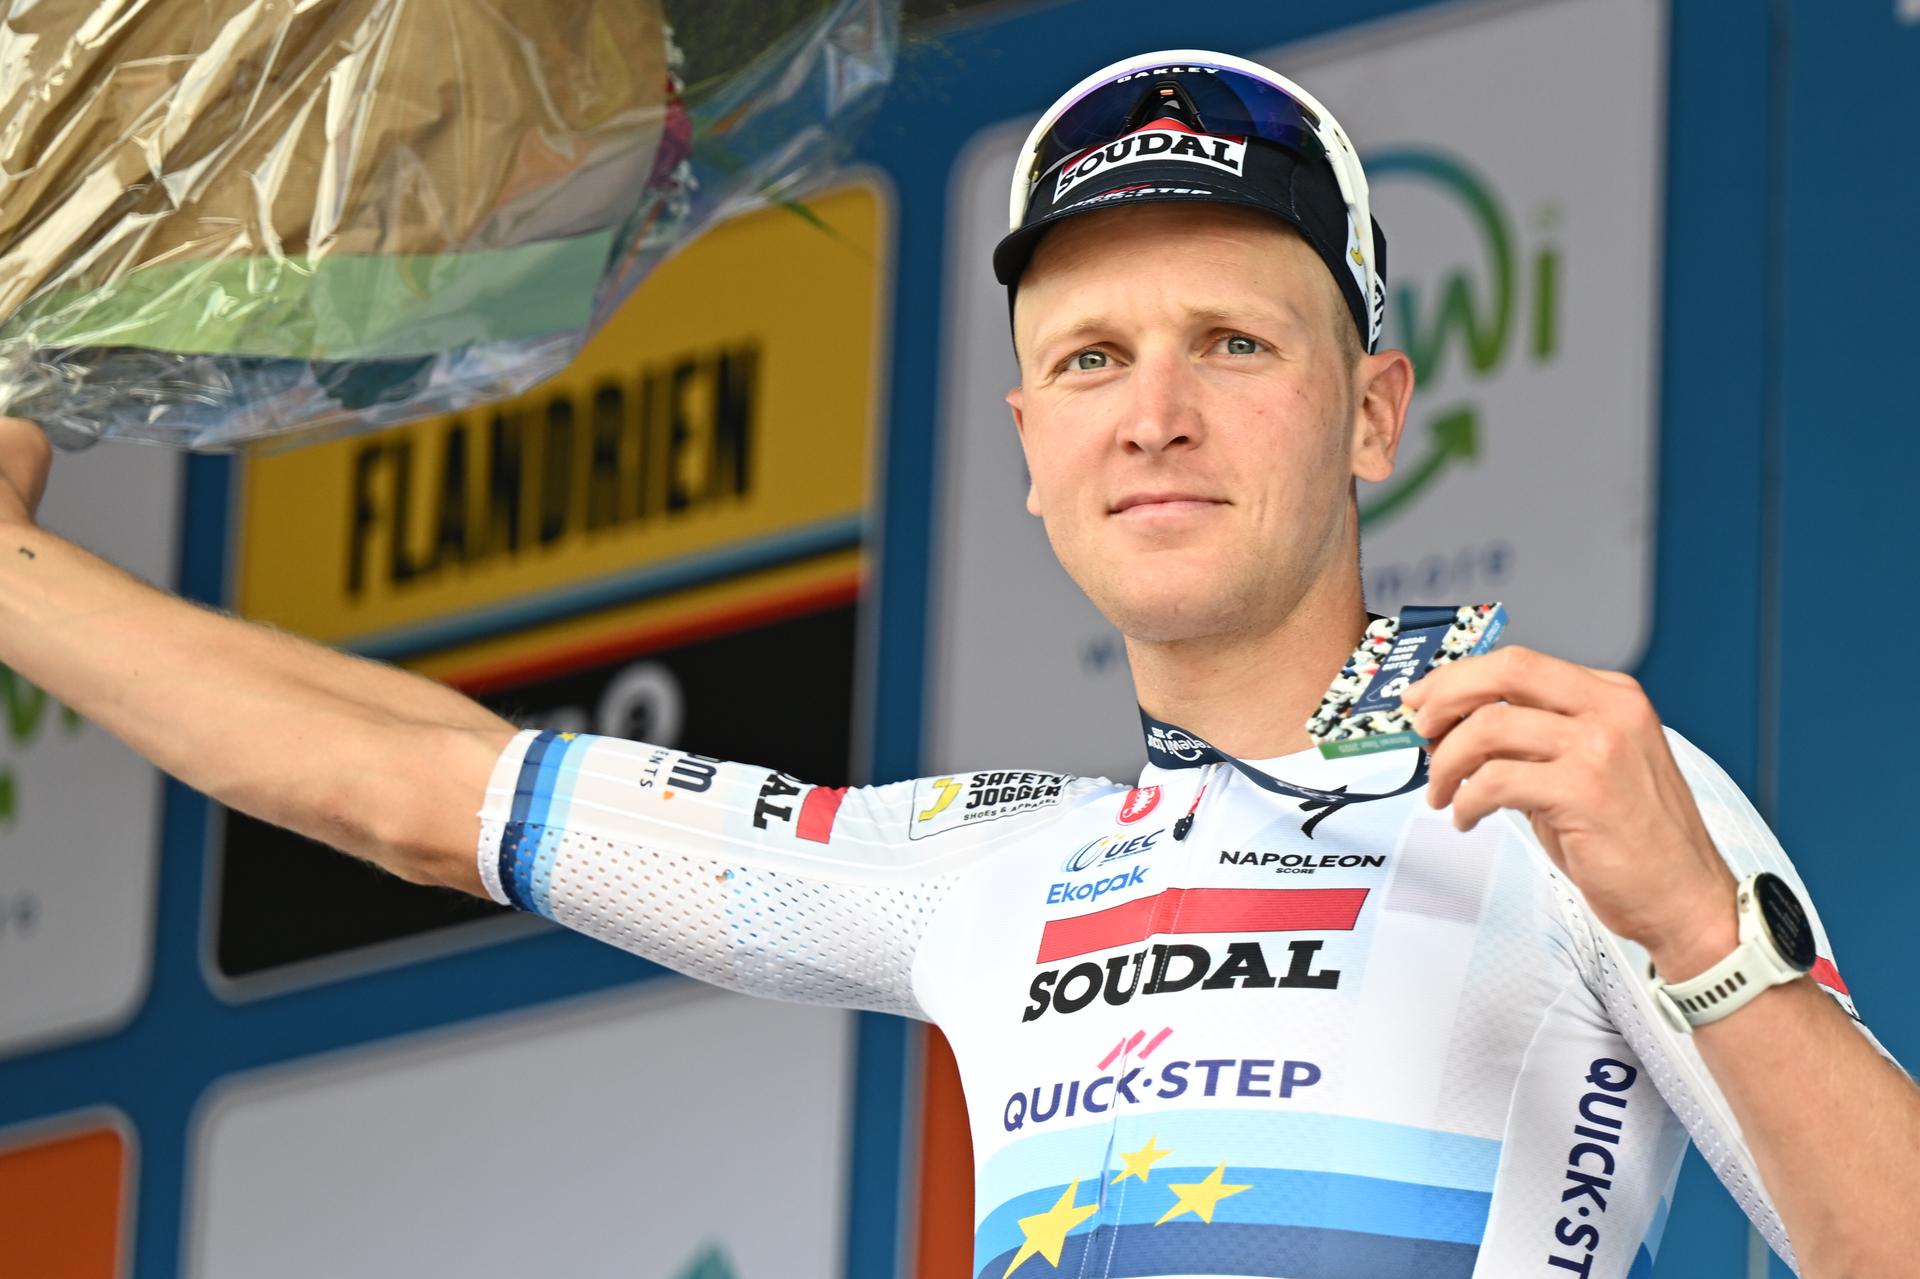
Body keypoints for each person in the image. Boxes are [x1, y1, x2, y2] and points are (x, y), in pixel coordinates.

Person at [1, 48, 1914, 1279]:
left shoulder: (1570, 800)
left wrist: (1700, 938)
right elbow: (421, 793)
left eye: (1233, 346)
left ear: (1373, 412)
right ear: (1025, 442)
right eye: (1092, 361)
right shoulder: (988, 865)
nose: (1153, 415)